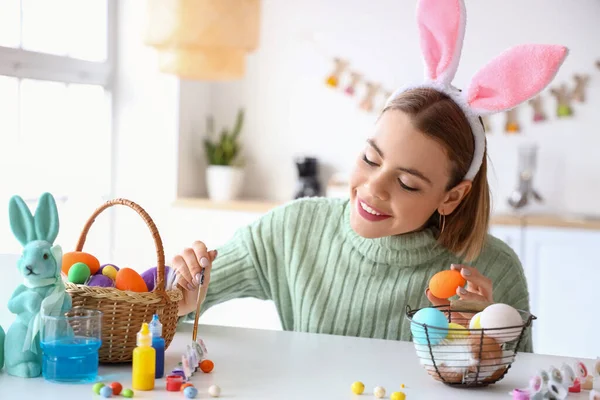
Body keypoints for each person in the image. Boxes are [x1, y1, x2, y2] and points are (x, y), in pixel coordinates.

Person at [172, 0, 567, 354]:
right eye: (370, 158)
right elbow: (164, 309)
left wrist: (483, 342)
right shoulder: (293, 231)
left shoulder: (494, 270)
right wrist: (182, 298)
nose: (373, 188)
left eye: (408, 183)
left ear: (451, 196)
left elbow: (522, 384)